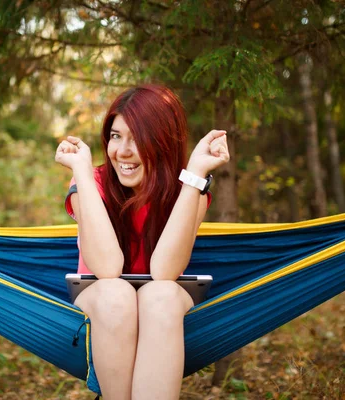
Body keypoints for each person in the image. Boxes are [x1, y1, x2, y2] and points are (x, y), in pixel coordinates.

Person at [55, 84, 230, 400]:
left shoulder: (189, 190)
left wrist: (195, 175)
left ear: (163, 142)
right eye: (116, 135)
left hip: (163, 306)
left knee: (160, 296)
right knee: (117, 294)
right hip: (102, 300)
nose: (122, 151)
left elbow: (164, 272)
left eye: (138, 138)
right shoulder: (89, 182)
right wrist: (80, 169)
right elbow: (107, 268)